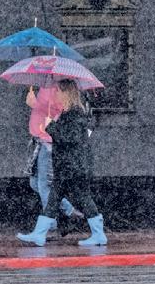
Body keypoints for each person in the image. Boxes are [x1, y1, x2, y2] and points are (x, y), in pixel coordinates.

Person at [17, 79, 107, 247]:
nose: (56, 94)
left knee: (81, 199)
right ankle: (40, 234)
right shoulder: (70, 113)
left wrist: (50, 126)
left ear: (66, 93)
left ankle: (98, 234)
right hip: (68, 166)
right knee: (56, 199)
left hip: (72, 167)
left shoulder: (75, 113)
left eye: (59, 91)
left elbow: (69, 138)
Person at [25, 85, 78, 224]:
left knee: (44, 185)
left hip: (48, 142)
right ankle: (69, 210)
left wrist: (35, 105)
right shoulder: (45, 86)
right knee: (34, 183)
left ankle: (50, 224)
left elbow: (59, 111)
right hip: (38, 140)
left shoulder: (58, 87)